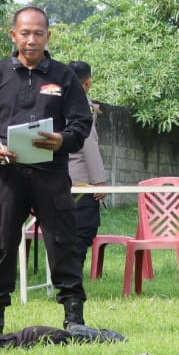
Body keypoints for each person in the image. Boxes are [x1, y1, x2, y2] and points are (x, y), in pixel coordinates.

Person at [0, 6, 95, 334]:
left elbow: (82, 122)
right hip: (8, 173)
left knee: (62, 240)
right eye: (25, 33)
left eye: (38, 33)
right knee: (1, 242)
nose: (31, 40)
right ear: (13, 35)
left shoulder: (63, 76)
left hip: (50, 173)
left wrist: (62, 139)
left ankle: (74, 317)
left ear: (48, 36)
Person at [67, 60, 107, 264]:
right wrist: (99, 181)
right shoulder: (83, 108)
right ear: (87, 83)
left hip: (57, 181)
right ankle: (72, 280)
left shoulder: (57, 103)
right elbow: (88, 144)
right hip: (81, 183)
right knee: (82, 232)